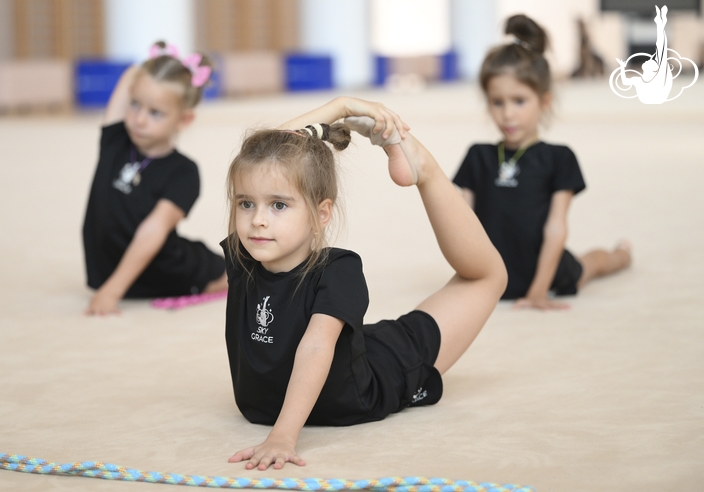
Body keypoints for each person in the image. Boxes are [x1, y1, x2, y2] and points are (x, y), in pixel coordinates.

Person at [221, 96, 508, 470]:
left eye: (278, 205)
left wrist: (282, 435)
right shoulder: (244, 256)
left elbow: (316, 348)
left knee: (487, 277)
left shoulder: (338, 269)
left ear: (321, 213)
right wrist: (339, 108)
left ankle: (426, 170)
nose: (257, 219)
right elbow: (263, 152)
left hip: (376, 374)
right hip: (345, 366)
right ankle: (420, 167)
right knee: (486, 278)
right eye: (246, 203)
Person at [452, 15, 631, 310]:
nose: (508, 114)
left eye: (519, 101)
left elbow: (555, 228)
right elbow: (462, 225)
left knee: (593, 264)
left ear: (544, 101)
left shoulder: (558, 158)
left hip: (549, 272)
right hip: (497, 274)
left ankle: (621, 254)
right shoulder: (478, 156)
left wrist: (538, 291)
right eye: (498, 102)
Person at [82, 42, 228, 315]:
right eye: (135, 104)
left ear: (184, 120)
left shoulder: (184, 172)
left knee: (236, 275)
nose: (139, 119)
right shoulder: (116, 140)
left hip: (163, 268)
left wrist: (113, 290)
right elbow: (130, 77)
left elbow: (153, 232)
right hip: (108, 268)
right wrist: (160, 65)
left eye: (155, 113)